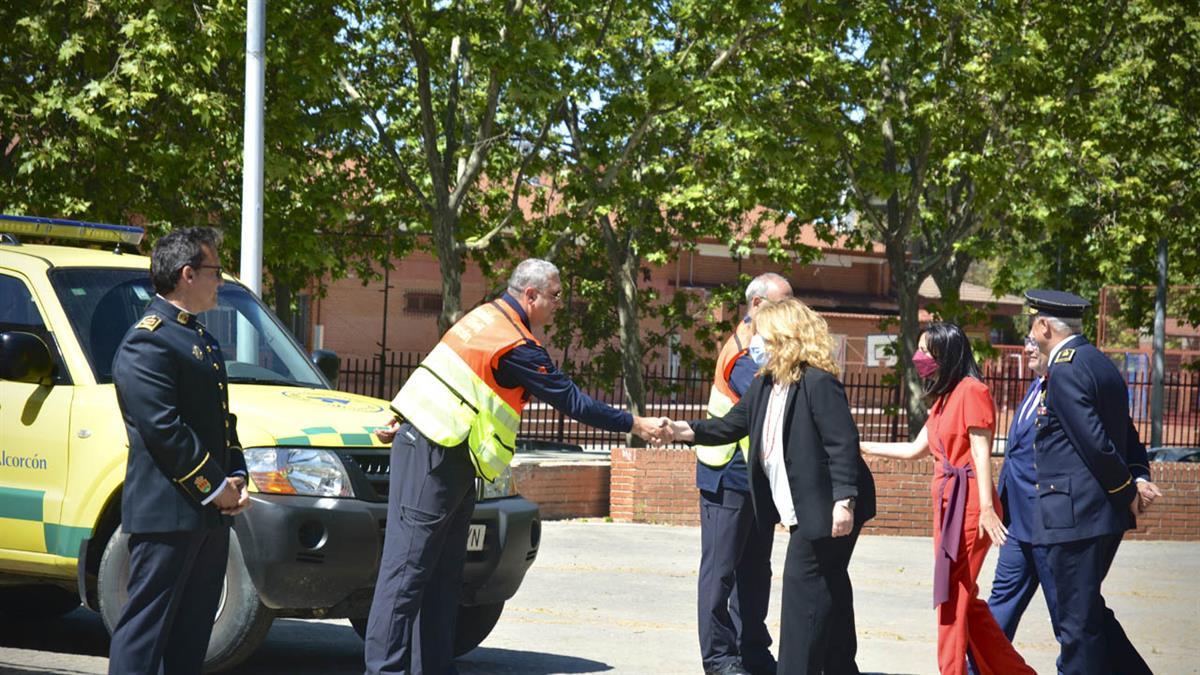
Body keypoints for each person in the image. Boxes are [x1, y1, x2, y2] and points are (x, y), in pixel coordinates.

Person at [364, 258, 669, 675]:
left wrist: (401, 417)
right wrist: (634, 422)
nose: (560, 303)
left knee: (440, 576)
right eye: (556, 295)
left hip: (446, 454)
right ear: (530, 294)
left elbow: (441, 372)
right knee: (406, 572)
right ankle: (384, 670)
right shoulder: (514, 344)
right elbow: (572, 402)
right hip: (434, 455)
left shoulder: (484, 317)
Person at [671, 298, 876, 675]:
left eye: (763, 334)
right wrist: (680, 430)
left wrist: (844, 502)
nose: (756, 342)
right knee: (829, 586)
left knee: (802, 593)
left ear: (784, 338)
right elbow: (728, 425)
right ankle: (841, 665)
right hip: (806, 507)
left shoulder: (818, 381)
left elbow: (842, 443)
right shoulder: (767, 383)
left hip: (829, 506)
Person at [108, 227, 250, 675]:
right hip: (168, 514)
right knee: (145, 631)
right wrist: (215, 488)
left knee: (191, 636)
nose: (220, 281)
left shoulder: (200, 340)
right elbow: (164, 430)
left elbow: (221, 422)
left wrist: (238, 474)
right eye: (215, 271)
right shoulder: (148, 340)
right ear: (187, 274)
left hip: (206, 514)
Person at [861, 323, 1033, 675]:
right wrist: (860, 445)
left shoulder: (972, 391)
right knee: (965, 603)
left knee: (951, 597)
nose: (918, 358)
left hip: (969, 505)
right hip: (949, 503)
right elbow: (915, 450)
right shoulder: (944, 397)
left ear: (945, 354)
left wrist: (986, 508)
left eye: (926, 351)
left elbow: (981, 453)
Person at [1023, 289, 1161, 675]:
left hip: (1074, 518)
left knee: (1076, 627)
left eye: (1033, 326)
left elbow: (1096, 443)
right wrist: (1137, 475)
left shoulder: (1065, 368)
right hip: (1093, 516)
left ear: (1045, 325)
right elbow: (1128, 435)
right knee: (1090, 615)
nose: (1031, 335)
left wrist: (1127, 489)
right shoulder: (1098, 362)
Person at [694, 272, 791, 675]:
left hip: (756, 478)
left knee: (756, 572)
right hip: (728, 474)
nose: (790, 310)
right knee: (721, 572)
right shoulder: (744, 353)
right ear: (756, 306)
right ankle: (719, 659)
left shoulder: (765, 347)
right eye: (782, 302)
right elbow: (765, 400)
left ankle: (752, 650)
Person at [983, 337, 1062, 654]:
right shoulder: (1035, 386)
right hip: (1016, 523)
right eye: (1026, 341)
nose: (1027, 348)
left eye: (1033, 341)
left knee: (1067, 618)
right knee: (1000, 603)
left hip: (1049, 524)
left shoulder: (1063, 388)